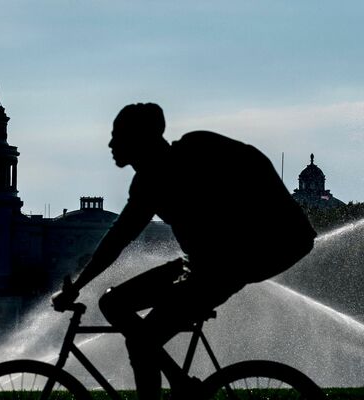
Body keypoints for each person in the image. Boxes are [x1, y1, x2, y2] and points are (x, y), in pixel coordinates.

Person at [52, 103, 316, 400]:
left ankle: (178, 389)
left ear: (141, 137)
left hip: (238, 258)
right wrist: (77, 286)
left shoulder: (192, 151)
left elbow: (118, 240)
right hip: (208, 262)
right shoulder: (148, 182)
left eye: (118, 135)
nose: (112, 144)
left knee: (142, 340)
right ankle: (178, 382)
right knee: (114, 304)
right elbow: (118, 238)